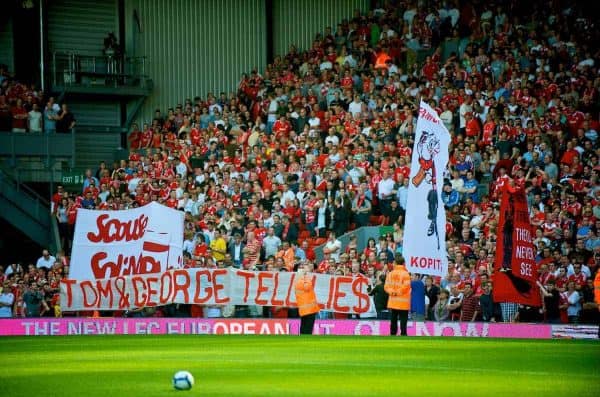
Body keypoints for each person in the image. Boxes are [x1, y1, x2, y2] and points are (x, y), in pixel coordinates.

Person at [384, 255, 411, 336]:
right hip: (403, 302)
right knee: (403, 320)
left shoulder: (390, 274)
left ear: (395, 263)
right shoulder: (406, 274)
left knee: (393, 320)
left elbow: (386, 287)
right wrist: (398, 292)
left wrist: (392, 292)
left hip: (393, 301)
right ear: (403, 263)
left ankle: (392, 334)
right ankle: (403, 334)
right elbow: (406, 286)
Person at [295, 263, 320, 335]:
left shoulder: (297, 280)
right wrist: (307, 275)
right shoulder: (302, 280)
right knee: (307, 330)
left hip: (304, 309)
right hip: (309, 309)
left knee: (303, 329)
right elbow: (307, 287)